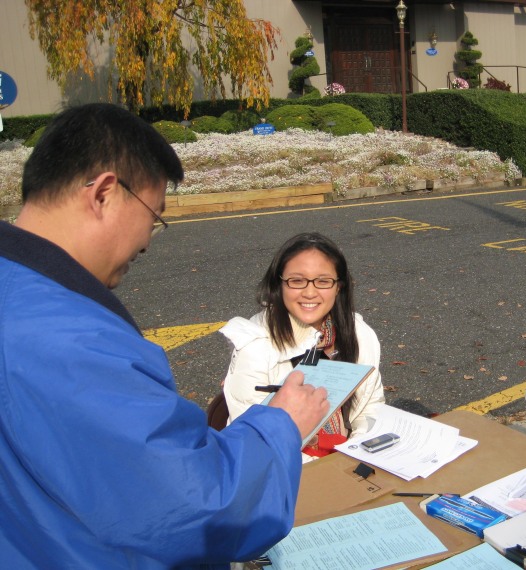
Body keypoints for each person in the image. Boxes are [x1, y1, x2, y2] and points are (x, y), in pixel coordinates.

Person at [0, 103, 329, 569]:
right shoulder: (73, 341)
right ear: (104, 194)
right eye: (153, 216)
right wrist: (281, 425)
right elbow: (195, 509)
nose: (148, 241)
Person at [221, 232, 385, 460]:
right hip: (281, 467)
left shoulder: (359, 333)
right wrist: (327, 471)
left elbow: (370, 406)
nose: (309, 292)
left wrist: (357, 452)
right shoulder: (255, 345)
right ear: (278, 285)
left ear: (339, 287)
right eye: (297, 281)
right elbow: (255, 439)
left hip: (347, 459)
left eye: (323, 281)